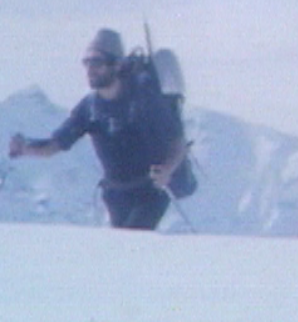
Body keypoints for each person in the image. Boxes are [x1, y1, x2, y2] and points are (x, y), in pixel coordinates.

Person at [9, 28, 187, 230]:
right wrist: (24, 149)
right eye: (87, 62)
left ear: (117, 64)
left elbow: (177, 141)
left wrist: (167, 170)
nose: (90, 69)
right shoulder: (90, 107)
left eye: (97, 62)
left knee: (129, 245)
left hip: (150, 192)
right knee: (125, 250)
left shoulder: (144, 97)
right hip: (114, 195)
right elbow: (55, 144)